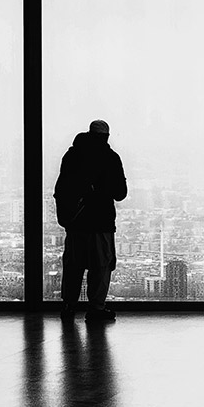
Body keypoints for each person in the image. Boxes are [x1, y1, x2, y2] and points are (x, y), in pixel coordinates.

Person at [53, 119, 127, 322]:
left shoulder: (72, 156)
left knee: (74, 267)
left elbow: (62, 188)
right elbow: (120, 193)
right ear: (106, 136)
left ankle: (69, 305)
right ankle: (96, 309)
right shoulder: (110, 158)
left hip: (76, 222)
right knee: (100, 266)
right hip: (101, 221)